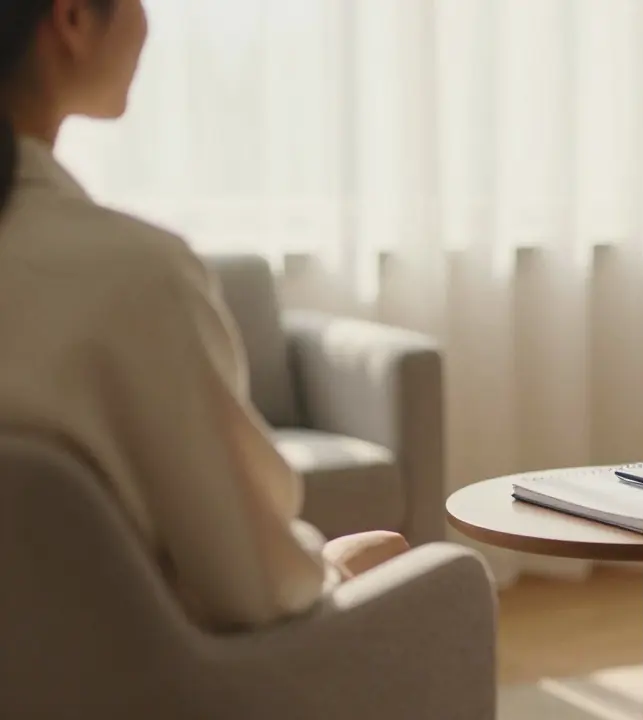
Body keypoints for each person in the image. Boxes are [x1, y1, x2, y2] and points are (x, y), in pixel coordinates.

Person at [0, 0, 409, 631]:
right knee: (404, 566)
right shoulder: (132, 277)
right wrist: (334, 568)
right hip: (136, 676)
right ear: (74, 19)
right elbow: (255, 589)